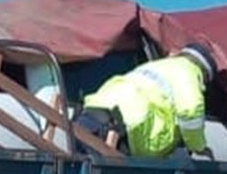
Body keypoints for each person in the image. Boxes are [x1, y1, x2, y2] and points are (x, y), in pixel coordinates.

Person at [74, 43, 217, 158]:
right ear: (203, 73)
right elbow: (190, 111)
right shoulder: (189, 72)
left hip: (89, 116)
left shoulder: (157, 65)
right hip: (120, 131)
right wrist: (197, 146)